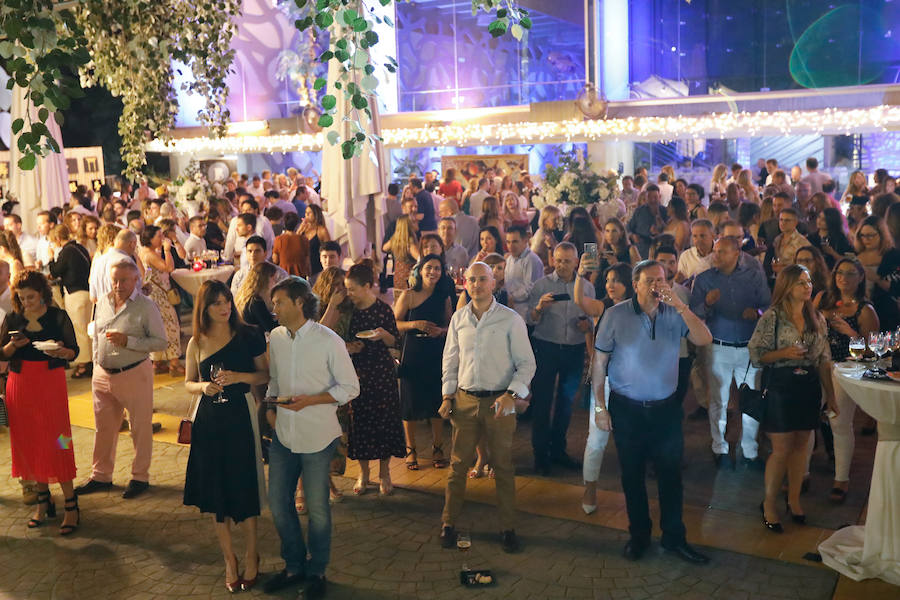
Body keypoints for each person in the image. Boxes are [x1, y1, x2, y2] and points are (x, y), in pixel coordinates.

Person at [592, 260, 712, 564]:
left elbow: (704, 339)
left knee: (671, 476)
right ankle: (639, 536)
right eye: (650, 281)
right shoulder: (615, 315)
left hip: (665, 410)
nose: (657, 286)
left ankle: (674, 538)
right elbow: (599, 363)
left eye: (662, 280)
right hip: (628, 409)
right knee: (632, 476)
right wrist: (599, 407)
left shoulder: (675, 312)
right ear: (636, 285)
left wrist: (682, 307)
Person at [264, 277, 359, 598]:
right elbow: (275, 382)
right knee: (278, 503)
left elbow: (350, 388)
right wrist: (270, 409)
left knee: (318, 509)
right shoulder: (275, 338)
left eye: (279, 302)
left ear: (300, 303)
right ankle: (293, 565)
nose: (273, 308)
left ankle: (317, 571)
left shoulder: (327, 340)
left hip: (319, 435)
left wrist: (311, 400)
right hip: (283, 434)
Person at [438, 261, 536, 553]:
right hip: (465, 400)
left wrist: (511, 394)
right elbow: (450, 361)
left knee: (503, 466)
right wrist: (446, 396)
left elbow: (527, 364)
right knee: (457, 466)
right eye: (472, 280)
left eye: (483, 280)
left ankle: (508, 528)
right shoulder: (459, 319)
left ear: (494, 283)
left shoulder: (510, 319)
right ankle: (448, 523)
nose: (477, 285)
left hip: (499, 402)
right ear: (465, 284)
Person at [183, 280, 269, 592]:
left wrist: (239, 378)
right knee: (216, 488)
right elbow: (189, 382)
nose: (224, 308)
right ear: (204, 309)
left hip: (241, 414)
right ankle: (229, 558)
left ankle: (250, 554)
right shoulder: (197, 341)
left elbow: (265, 374)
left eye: (227, 301)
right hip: (209, 418)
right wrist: (203, 387)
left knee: (244, 484)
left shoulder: (248, 334)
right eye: (217, 303)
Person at [748, 265, 838, 533]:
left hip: (807, 385)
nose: (807, 286)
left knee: (802, 446)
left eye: (808, 281)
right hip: (781, 385)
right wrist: (783, 352)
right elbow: (756, 354)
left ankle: (795, 500)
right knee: (782, 447)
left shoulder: (816, 317)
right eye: (800, 282)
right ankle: (769, 504)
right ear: (787, 286)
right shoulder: (773, 317)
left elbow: (823, 359)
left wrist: (830, 395)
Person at [76, 261, 167, 499]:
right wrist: (97, 362)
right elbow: (96, 334)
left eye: (124, 280)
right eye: (115, 280)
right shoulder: (103, 302)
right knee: (103, 429)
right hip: (103, 375)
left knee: (140, 428)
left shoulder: (146, 307)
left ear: (136, 280)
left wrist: (129, 342)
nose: (118, 285)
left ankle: (140, 477)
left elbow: (160, 342)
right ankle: (101, 476)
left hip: (134, 373)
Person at [1, 271, 80, 534]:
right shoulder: (13, 318)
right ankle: (42, 501)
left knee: (59, 439)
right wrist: (13, 345)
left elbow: (74, 351)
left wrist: (61, 351)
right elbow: (2, 353)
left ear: (43, 293)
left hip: (50, 383)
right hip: (20, 384)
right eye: (21, 297)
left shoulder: (58, 317)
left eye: (31, 297)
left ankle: (71, 503)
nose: (26, 302)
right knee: (30, 442)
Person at [690, 237, 771, 468]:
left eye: (722, 252)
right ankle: (720, 447)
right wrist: (706, 303)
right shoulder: (704, 279)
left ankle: (750, 451)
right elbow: (694, 314)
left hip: (748, 347)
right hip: (718, 346)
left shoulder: (753, 275)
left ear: (737, 253)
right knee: (718, 400)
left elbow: (768, 304)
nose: (716, 256)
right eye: (715, 252)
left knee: (751, 400)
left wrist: (756, 312)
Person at [527, 243, 593, 474]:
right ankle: (540, 455)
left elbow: (592, 318)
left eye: (568, 260)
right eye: (559, 260)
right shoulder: (541, 285)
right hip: (546, 347)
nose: (563, 265)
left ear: (576, 262)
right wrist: (538, 308)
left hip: (574, 348)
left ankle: (558, 450)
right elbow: (530, 319)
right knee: (543, 402)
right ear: (552, 260)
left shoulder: (586, 287)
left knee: (566, 403)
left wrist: (587, 325)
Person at [573, 260, 633, 514]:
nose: (610, 285)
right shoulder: (603, 308)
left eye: (616, 280)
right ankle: (590, 489)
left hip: (631, 382)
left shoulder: (638, 310)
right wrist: (580, 273)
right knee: (596, 438)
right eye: (608, 280)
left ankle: (633, 494)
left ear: (629, 284)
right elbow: (580, 300)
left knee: (630, 441)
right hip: (605, 381)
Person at [343, 262, 405, 496]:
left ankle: (385, 472)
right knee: (359, 421)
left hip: (381, 371)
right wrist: (351, 347)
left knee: (384, 420)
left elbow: (395, 342)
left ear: (367, 286)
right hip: (357, 371)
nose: (349, 294)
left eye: (352, 289)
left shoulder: (383, 310)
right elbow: (342, 341)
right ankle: (363, 472)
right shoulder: (349, 312)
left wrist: (383, 335)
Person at [819, 258, 878, 504]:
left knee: (839, 422)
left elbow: (874, 352)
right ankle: (803, 474)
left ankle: (841, 479)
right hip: (819, 364)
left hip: (845, 368)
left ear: (861, 277)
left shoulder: (865, 309)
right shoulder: (823, 300)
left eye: (850, 274)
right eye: (839, 273)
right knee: (809, 418)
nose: (843, 278)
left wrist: (851, 333)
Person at [394, 254, 454, 471]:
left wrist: (442, 331)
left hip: (436, 351)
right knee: (409, 402)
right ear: (420, 270)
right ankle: (411, 449)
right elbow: (394, 323)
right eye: (429, 267)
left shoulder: (444, 296)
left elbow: (452, 325)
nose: (433, 272)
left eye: (437, 268)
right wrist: (415, 324)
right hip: (413, 352)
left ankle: (438, 447)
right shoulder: (409, 295)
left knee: (435, 401)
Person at [48, 224, 93, 379]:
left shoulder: (66, 252)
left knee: (79, 330)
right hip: (88, 292)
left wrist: (50, 257)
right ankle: (91, 361)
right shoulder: (81, 248)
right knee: (88, 330)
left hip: (75, 294)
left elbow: (55, 271)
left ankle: (83, 365)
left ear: (58, 239)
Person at [138, 225, 184, 376]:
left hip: (155, 295)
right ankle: (174, 364)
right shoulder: (149, 254)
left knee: (159, 328)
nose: (162, 239)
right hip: (159, 297)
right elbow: (168, 267)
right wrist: (167, 250)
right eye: (158, 236)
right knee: (171, 326)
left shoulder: (146, 252)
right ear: (149, 239)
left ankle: (157, 363)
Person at [854, 216, 900, 331]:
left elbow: (896, 287)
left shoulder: (893, 256)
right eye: (862, 235)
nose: (866, 239)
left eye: (871, 235)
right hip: (860, 309)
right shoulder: (856, 255)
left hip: (886, 311)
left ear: (882, 235)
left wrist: (876, 278)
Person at [504, 225, 544, 321]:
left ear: (525, 240)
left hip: (526, 315)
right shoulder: (509, 259)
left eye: (515, 242)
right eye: (508, 242)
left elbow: (530, 289)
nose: (510, 246)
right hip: (512, 312)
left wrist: (510, 297)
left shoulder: (531, 260)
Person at [235, 262, 279, 333]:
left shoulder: (246, 296)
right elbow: (271, 327)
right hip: (252, 339)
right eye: (274, 279)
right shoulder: (256, 301)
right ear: (265, 279)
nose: (276, 282)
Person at [627, 184, 667, 259]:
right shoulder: (639, 211)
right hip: (641, 249)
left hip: (660, 249)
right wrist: (632, 235)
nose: (652, 200)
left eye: (655, 197)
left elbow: (670, 232)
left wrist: (659, 231)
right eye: (649, 197)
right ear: (646, 197)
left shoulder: (665, 211)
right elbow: (629, 228)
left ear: (660, 197)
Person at [383, 215, 419, 291]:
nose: (417, 222)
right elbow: (420, 259)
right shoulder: (410, 243)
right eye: (413, 221)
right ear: (408, 226)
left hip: (398, 276)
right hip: (408, 278)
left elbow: (384, 248)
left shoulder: (394, 240)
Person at [272, 212, 311, 277]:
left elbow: (275, 260)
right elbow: (307, 261)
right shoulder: (304, 240)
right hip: (300, 276)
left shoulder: (279, 239)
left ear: (284, 223)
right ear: (296, 224)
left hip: (284, 276)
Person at [298, 204, 331, 280]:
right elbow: (295, 242)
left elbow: (329, 248)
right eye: (306, 212)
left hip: (317, 268)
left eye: (309, 213)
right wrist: (300, 230)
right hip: (302, 268)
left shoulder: (322, 230)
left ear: (316, 214)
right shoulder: (303, 229)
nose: (307, 215)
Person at [530, 205, 562, 272]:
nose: (557, 222)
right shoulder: (541, 235)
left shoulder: (549, 232)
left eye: (558, 219)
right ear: (545, 221)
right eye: (554, 219)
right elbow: (533, 257)